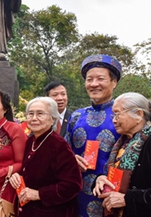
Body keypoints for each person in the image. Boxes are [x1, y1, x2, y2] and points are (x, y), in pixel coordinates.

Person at [65, 54, 122, 217]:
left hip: (109, 196)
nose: (94, 84)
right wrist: (70, 160)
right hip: (74, 194)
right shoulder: (76, 116)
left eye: (100, 79)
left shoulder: (123, 116)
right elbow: (62, 153)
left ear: (114, 82)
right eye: (89, 79)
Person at [10, 97, 82, 216]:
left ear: (53, 118)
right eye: (31, 114)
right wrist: (17, 176)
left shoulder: (59, 145)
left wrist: (39, 194)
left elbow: (73, 185)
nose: (34, 118)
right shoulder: (30, 141)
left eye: (40, 114)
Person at [92, 92, 151, 217]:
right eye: (113, 115)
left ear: (138, 115)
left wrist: (128, 199)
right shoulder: (123, 142)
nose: (114, 120)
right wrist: (100, 179)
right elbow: (113, 176)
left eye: (118, 114)